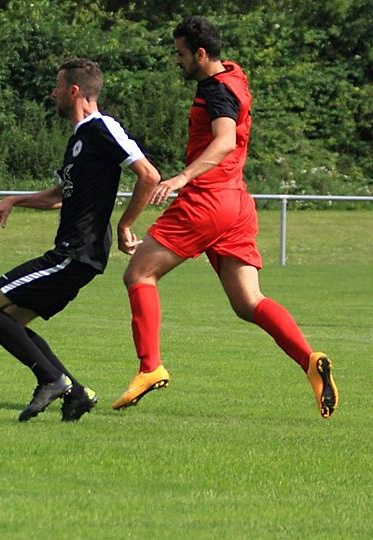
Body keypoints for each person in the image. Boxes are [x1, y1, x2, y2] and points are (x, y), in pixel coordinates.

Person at [112, 16, 338, 418]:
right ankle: (309, 359)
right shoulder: (235, 74)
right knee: (249, 302)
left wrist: (183, 176)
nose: (176, 61)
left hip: (207, 201)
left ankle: (150, 367)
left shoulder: (216, 91)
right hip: (236, 204)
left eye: (181, 54)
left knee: (139, 274)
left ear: (201, 54)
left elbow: (225, 140)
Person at [0, 58, 161, 422]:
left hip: (76, 251)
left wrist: (125, 226)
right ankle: (74, 393)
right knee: (11, 320)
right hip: (76, 251)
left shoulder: (101, 127)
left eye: (57, 86)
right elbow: (59, 195)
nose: (53, 93)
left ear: (74, 91)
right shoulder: (78, 138)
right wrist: (14, 201)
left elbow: (148, 176)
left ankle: (53, 380)